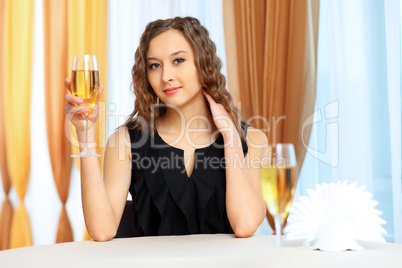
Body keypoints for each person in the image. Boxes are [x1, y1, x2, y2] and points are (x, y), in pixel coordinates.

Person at [64, 16, 267, 241]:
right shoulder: (125, 141)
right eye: (155, 65)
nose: (166, 77)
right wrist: (85, 134)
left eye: (178, 60)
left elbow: (245, 225)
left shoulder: (252, 139)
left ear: (203, 63)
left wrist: (230, 137)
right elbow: (102, 231)